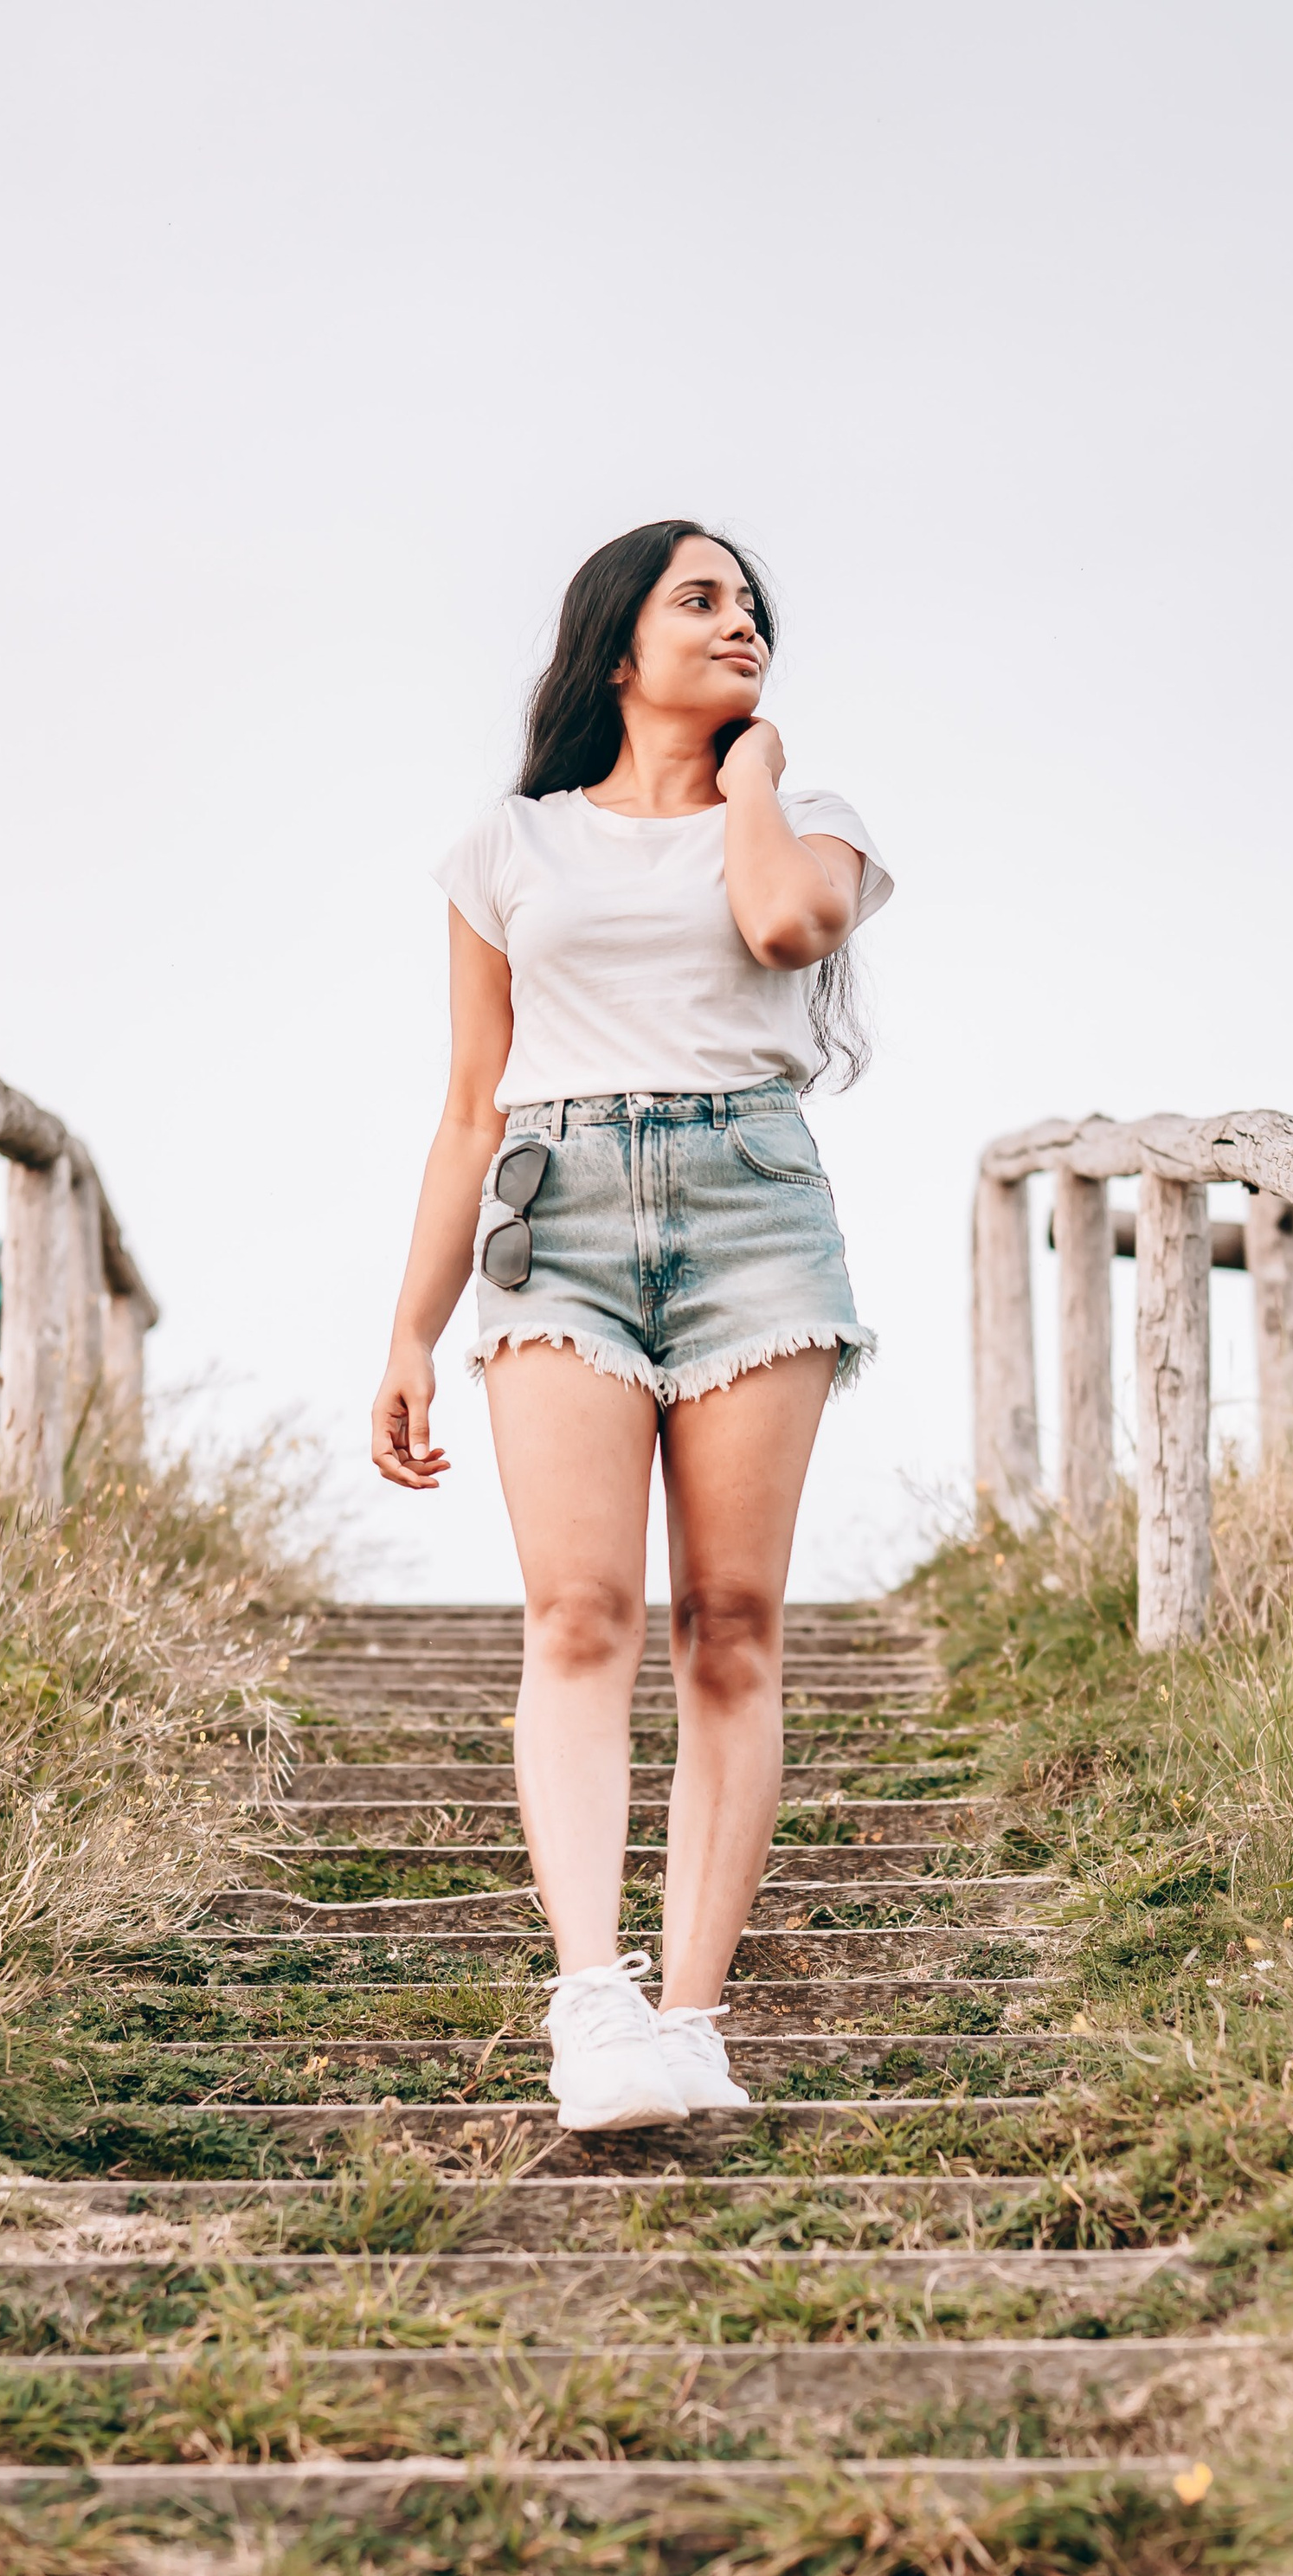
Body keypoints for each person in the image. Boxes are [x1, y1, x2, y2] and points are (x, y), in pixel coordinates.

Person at [370, 520, 892, 2130]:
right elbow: (469, 1108)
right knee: (577, 1614)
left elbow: (788, 934)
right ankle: (590, 2001)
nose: (742, 625)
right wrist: (408, 1330)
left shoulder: (816, 830)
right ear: (616, 647)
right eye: (702, 600)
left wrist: (749, 783)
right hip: (559, 1216)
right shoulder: (510, 850)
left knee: (729, 1628)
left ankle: (689, 2020)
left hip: (753, 1208)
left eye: (752, 609)